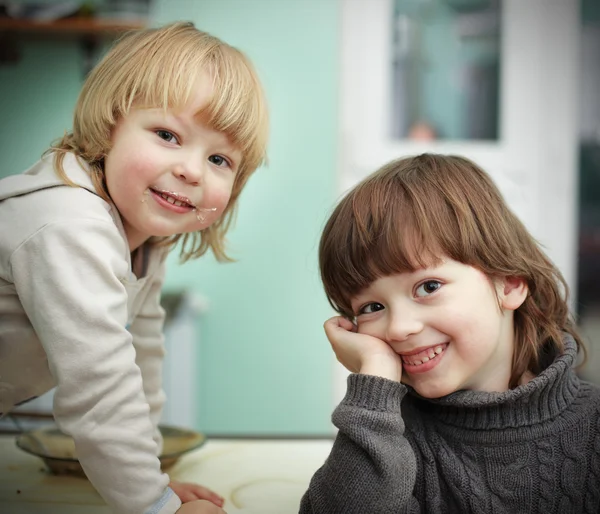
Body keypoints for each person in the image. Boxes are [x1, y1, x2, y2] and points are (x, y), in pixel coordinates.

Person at [0, 21, 268, 514]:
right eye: (167, 135)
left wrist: (153, 482)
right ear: (110, 126)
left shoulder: (148, 239)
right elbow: (100, 391)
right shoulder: (70, 226)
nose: (192, 170)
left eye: (219, 159)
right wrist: (156, 506)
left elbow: (140, 357)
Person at [300, 154, 600, 513]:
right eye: (372, 307)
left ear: (509, 283)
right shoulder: (387, 439)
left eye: (428, 287)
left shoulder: (593, 427)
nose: (398, 328)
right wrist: (375, 376)